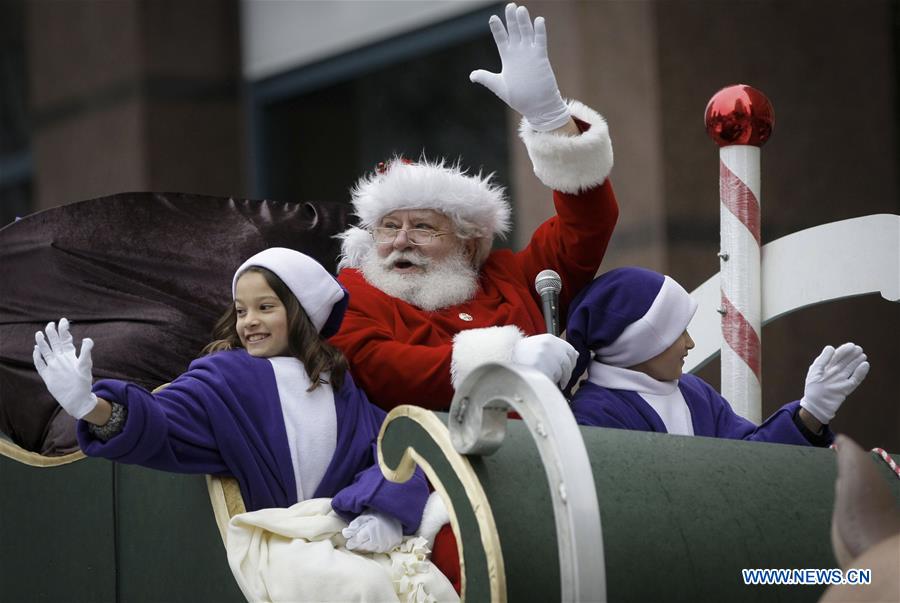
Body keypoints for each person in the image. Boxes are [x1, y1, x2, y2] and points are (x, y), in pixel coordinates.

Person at [32, 247, 429, 553]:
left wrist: (384, 511)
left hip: (346, 547)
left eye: (265, 307)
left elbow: (390, 454)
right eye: (241, 310)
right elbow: (163, 421)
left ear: (302, 314)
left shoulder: (343, 388)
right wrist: (90, 407)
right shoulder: (223, 377)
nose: (248, 321)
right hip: (271, 558)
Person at [331, 2, 619, 411]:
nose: (401, 241)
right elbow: (376, 367)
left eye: (424, 227)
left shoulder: (513, 278)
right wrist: (505, 363)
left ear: (468, 244)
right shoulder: (353, 294)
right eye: (388, 226)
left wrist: (552, 120)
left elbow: (589, 224)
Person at [565, 267, 870, 445]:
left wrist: (810, 414)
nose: (690, 343)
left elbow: (750, 465)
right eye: (677, 333)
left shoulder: (695, 392)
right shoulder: (594, 416)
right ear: (639, 346)